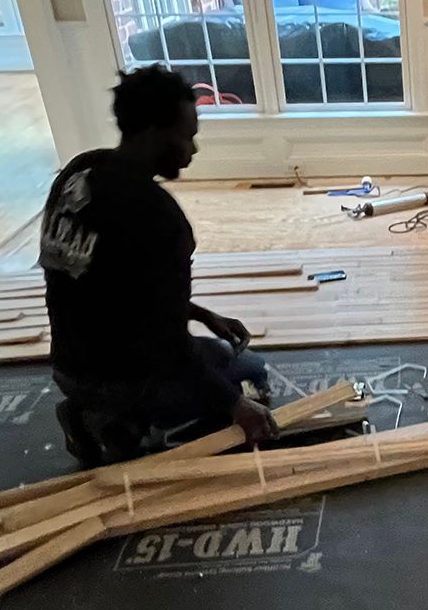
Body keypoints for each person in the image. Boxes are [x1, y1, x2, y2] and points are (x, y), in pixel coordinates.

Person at [39, 66, 273, 463]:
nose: (193, 150)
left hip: (67, 366)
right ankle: (118, 422)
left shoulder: (80, 173)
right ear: (151, 133)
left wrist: (201, 313)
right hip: (121, 375)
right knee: (248, 371)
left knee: (209, 355)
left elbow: (112, 287)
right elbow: (169, 347)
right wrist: (236, 405)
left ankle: (91, 408)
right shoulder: (158, 219)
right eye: (186, 136)